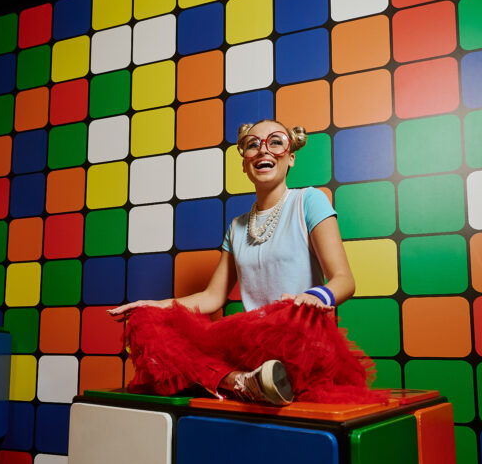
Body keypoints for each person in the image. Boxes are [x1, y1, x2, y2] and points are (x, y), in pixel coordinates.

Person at [108, 120, 385, 406]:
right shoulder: (238, 227)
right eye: (253, 145)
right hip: (250, 348)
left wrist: (313, 297)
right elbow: (212, 297)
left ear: (291, 157)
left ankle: (254, 379)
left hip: (299, 339)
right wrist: (156, 306)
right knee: (147, 323)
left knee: (288, 320)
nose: (263, 150)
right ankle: (239, 381)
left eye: (275, 142)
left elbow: (344, 280)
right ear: (244, 163)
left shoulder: (309, 201)